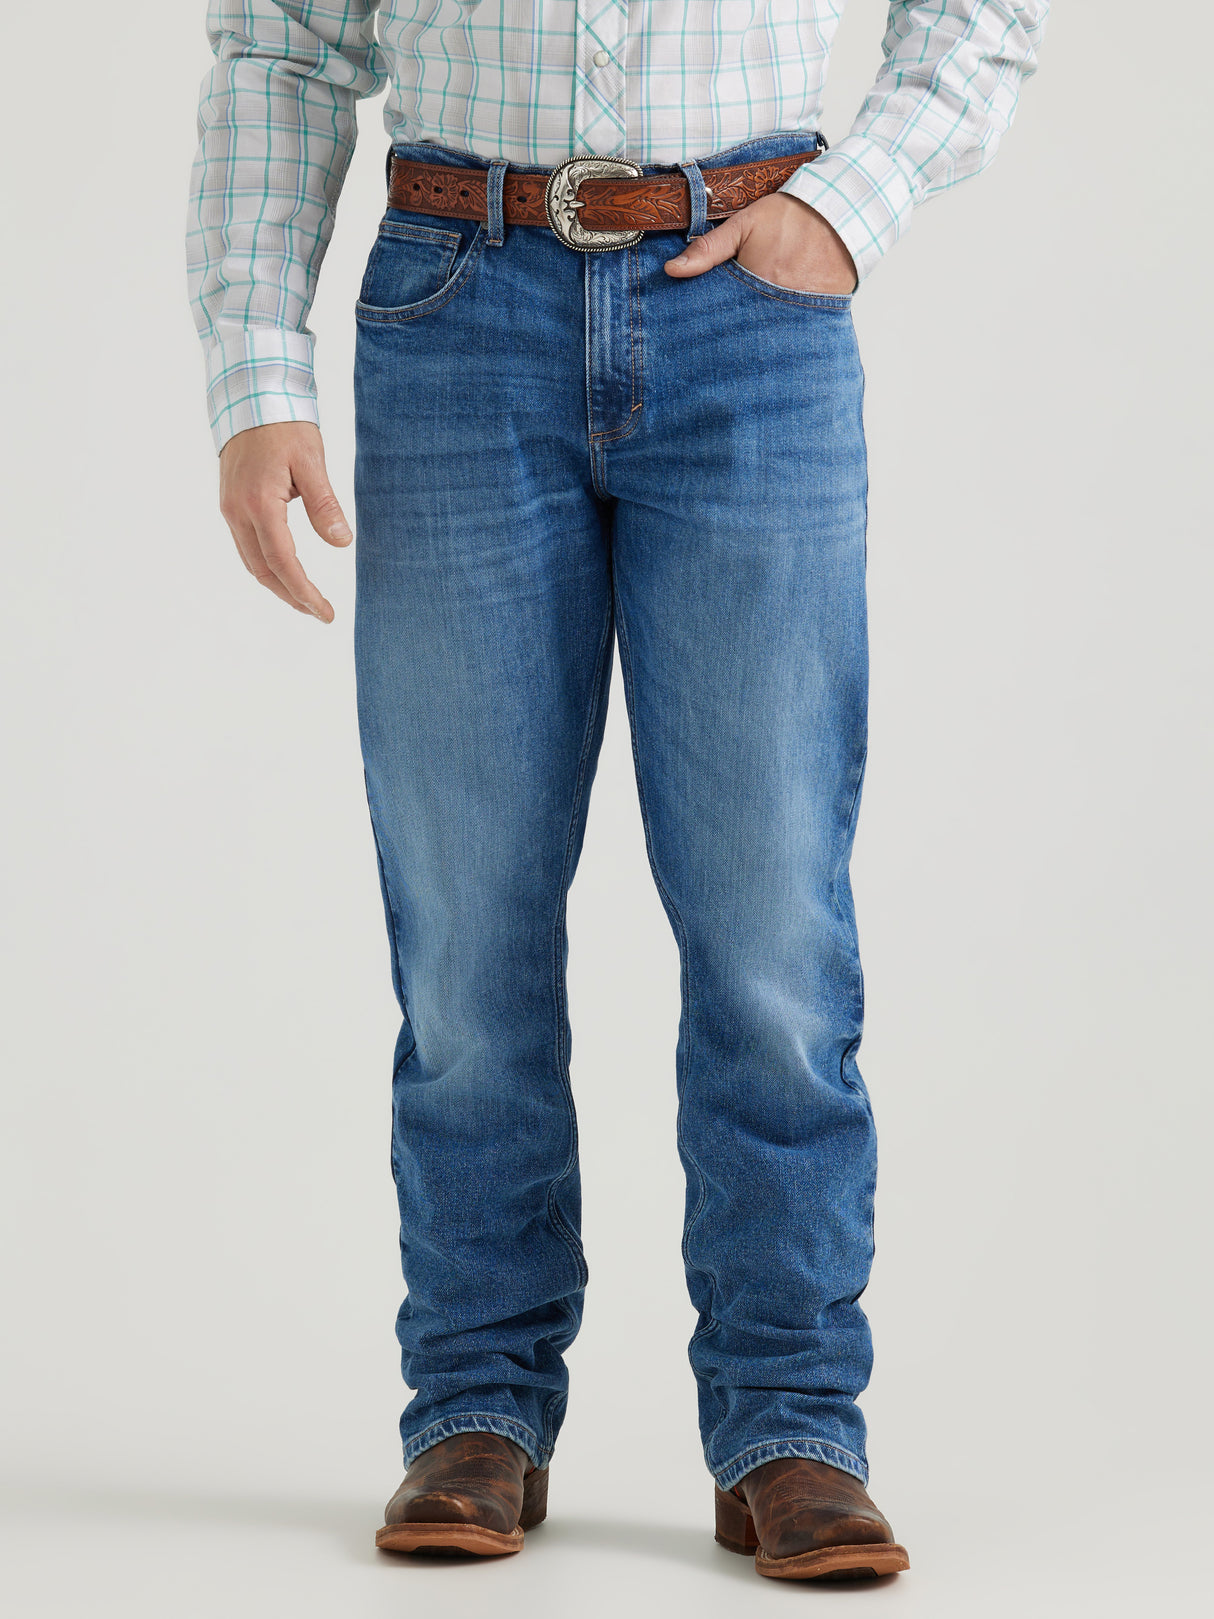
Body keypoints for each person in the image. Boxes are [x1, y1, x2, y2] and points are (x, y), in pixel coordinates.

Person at [189, 0, 1047, 1583]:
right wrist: (256, 373)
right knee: (464, 931)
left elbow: (978, 18)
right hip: (457, 302)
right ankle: (473, 1409)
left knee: (770, 924)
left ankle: (793, 1424)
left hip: (746, 302)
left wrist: (848, 206)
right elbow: (283, 47)